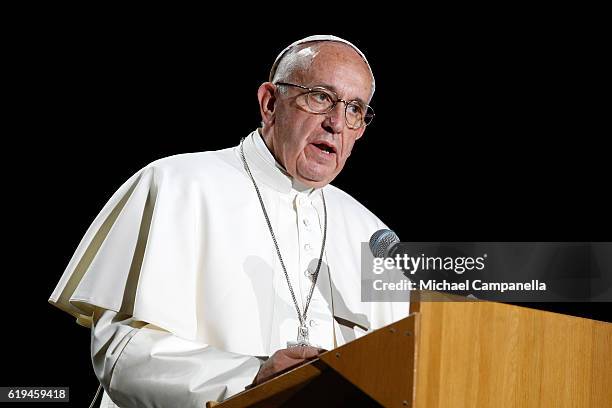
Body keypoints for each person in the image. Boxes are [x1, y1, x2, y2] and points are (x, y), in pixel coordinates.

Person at [49, 35, 409, 408]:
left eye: (354, 109)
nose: (336, 122)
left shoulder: (371, 233)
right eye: (321, 97)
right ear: (270, 103)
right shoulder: (177, 184)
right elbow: (123, 353)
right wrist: (250, 378)